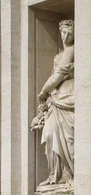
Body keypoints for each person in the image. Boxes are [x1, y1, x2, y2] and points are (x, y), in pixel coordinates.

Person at [31, 19, 74, 186]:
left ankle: (69, 174)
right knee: (50, 134)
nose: (65, 36)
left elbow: (57, 76)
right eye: (63, 32)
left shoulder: (71, 51)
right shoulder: (58, 55)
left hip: (67, 93)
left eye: (69, 33)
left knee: (67, 138)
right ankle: (56, 175)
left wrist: (43, 91)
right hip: (55, 97)